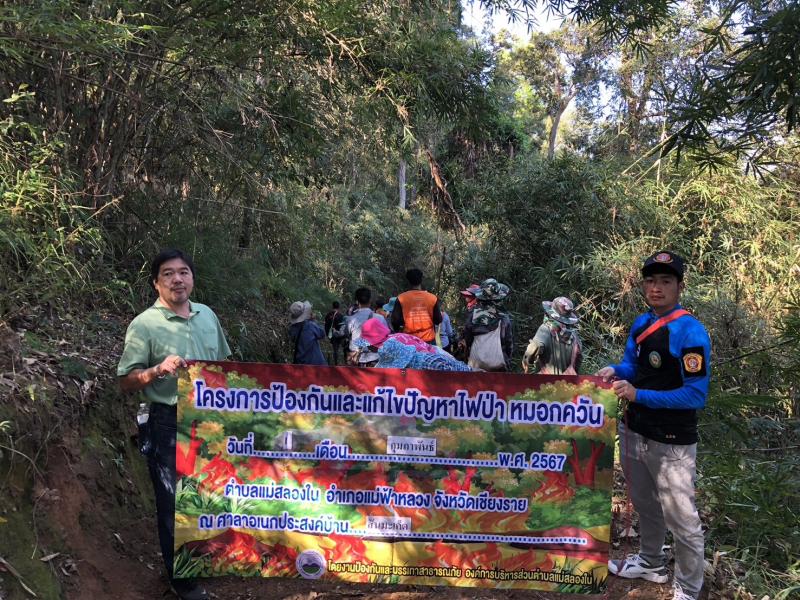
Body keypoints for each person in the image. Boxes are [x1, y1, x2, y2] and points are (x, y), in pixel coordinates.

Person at [117, 249, 231, 600]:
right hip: (168, 421)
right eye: (168, 273)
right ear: (156, 283)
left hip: (210, 418)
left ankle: (202, 561)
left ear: (192, 278)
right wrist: (156, 370)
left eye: (183, 272)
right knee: (172, 502)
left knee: (208, 494)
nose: (177, 279)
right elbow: (125, 380)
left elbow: (225, 367)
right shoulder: (144, 324)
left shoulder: (207, 315)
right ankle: (181, 581)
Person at [598, 251, 711, 600]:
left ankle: (689, 588)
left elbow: (695, 394)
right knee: (644, 503)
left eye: (665, 281)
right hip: (635, 429)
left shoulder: (690, 332)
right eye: (650, 281)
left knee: (681, 517)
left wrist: (638, 394)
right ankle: (651, 562)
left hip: (671, 439)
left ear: (679, 286)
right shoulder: (642, 324)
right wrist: (616, 371)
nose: (656, 288)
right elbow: (635, 367)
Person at [355, 318, 471, 371]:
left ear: (374, 343)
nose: (368, 347)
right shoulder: (393, 339)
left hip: (433, 356)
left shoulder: (388, 346)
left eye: (368, 344)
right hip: (434, 352)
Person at [522, 296, 583, 375]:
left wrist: (526, 361)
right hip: (567, 381)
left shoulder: (545, 329)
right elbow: (579, 359)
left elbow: (533, 348)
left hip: (545, 380)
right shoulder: (574, 336)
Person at [463, 278, 513, 372]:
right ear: (499, 298)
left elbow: (467, 339)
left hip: (476, 363)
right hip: (499, 365)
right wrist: (508, 360)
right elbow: (508, 343)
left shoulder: (473, 315)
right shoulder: (503, 317)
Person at [391, 268, 442, 343]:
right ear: (421, 280)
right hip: (428, 340)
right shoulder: (432, 298)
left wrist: (398, 331)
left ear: (408, 281)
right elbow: (438, 320)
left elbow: (395, 321)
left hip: (409, 340)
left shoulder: (401, 298)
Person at [346, 287, 380, 366]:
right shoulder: (380, 318)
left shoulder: (350, 319)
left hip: (355, 358)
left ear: (357, 301)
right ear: (370, 300)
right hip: (374, 359)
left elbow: (346, 334)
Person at [289, 300, 327, 366]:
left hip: (300, 363)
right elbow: (322, 333)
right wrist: (313, 320)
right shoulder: (310, 325)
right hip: (315, 364)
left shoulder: (293, 329)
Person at [323, 301, 347, 365]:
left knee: (335, 350)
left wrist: (328, 334)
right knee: (344, 348)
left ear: (332, 306)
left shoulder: (328, 315)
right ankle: (345, 362)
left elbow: (326, 325)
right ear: (339, 307)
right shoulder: (340, 315)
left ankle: (335, 363)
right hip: (340, 335)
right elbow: (343, 326)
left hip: (331, 335)